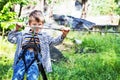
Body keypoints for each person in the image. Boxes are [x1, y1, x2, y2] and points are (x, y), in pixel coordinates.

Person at [8, 10, 70, 80]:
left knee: (32, 77)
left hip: (36, 59)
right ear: (29, 24)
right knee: (17, 77)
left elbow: (56, 42)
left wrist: (63, 34)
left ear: (43, 24)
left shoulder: (44, 36)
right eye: (34, 24)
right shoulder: (23, 34)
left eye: (39, 24)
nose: (37, 27)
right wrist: (16, 29)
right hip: (22, 58)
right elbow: (11, 39)